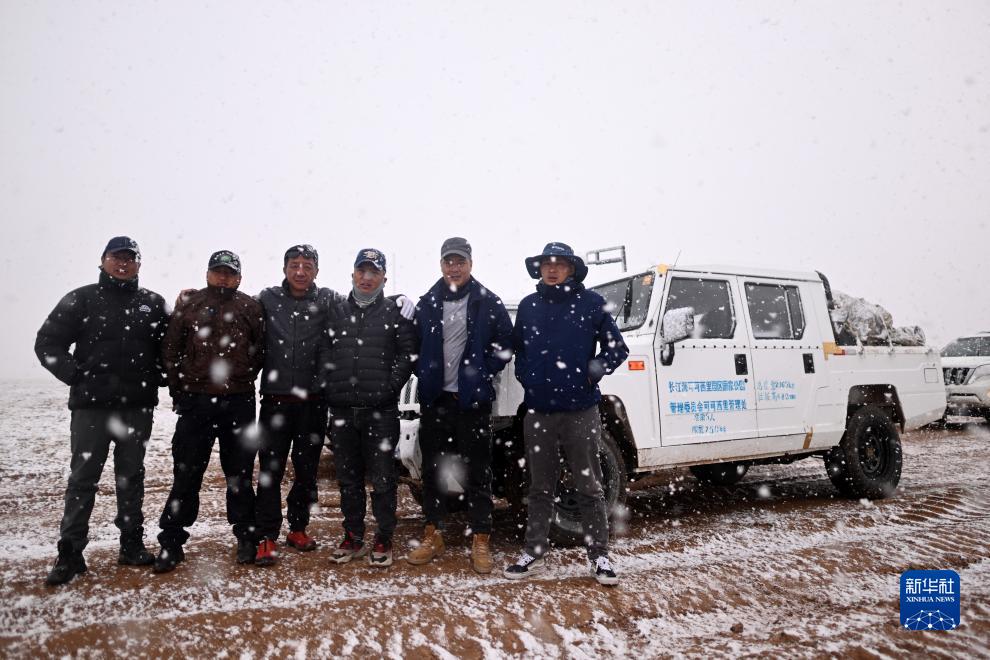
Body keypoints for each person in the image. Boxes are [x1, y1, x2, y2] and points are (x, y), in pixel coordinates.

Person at [35, 236, 168, 585]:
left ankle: (131, 544)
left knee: (131, 477)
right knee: (83, 479)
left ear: (139, 264)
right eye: (116, 257)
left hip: (136, 408)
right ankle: (70, 554)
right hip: (91, 410)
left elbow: (170, 350)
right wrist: (76, 376)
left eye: (130, 259)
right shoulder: (81, 299)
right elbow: (47, 342)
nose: (123, 264)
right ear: (103, 260)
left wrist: (160, 375)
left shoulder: (153, 304)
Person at [504, 242, 628, 586]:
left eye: (559, 264)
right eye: (547, 264)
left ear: (571, 269)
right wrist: (527, 376)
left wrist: (594, 370)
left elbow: (617, 348)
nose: (552, 269)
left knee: (589, 485)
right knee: (539, 487)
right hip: (539, 412)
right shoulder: (529, 306)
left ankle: (599, 555)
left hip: (580, 410)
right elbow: (519, 350)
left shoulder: (591, 303)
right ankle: (534, 552)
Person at [153, 250, 265, 573]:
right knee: (186, 475)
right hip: (196, 403)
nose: (223, 277)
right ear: (207, 273)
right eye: (218, 271)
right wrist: (180, 392)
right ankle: (171, 541)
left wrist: (241, 377)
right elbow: (170, 350)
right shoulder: (190, 305)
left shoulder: (250, 307)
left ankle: (246, 536)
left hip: (238, 402)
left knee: (240, 475)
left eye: (230, 273)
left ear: (239, 277)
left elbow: (261, 349)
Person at [407, 237, 513, 574]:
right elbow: (411, 345)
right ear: (441, 264)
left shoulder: (487, 302)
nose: (454, 267)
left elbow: (506, 344)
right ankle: (433, 533)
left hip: (472, 403)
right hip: (436, 402)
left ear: (470, 264)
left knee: (477, 471)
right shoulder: (427, 303)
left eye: (460, 261)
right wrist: (425, 373)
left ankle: (481, 537)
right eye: (448, 261)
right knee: (434, 471)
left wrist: (482, 371)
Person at [323, 249, 416, 568]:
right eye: (361, 271)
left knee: (383, 479)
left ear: (383, 278)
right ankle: (353, 536)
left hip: (381, 412)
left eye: (373, 272)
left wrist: (389, 387)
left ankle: (383, 537)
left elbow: (407, 354)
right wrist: (329, 384)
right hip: (342, 411)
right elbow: (324, 351)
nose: (366, 277)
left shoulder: (394, 312)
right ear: (352, 274)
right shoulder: (336, 311)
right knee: (348, 480)